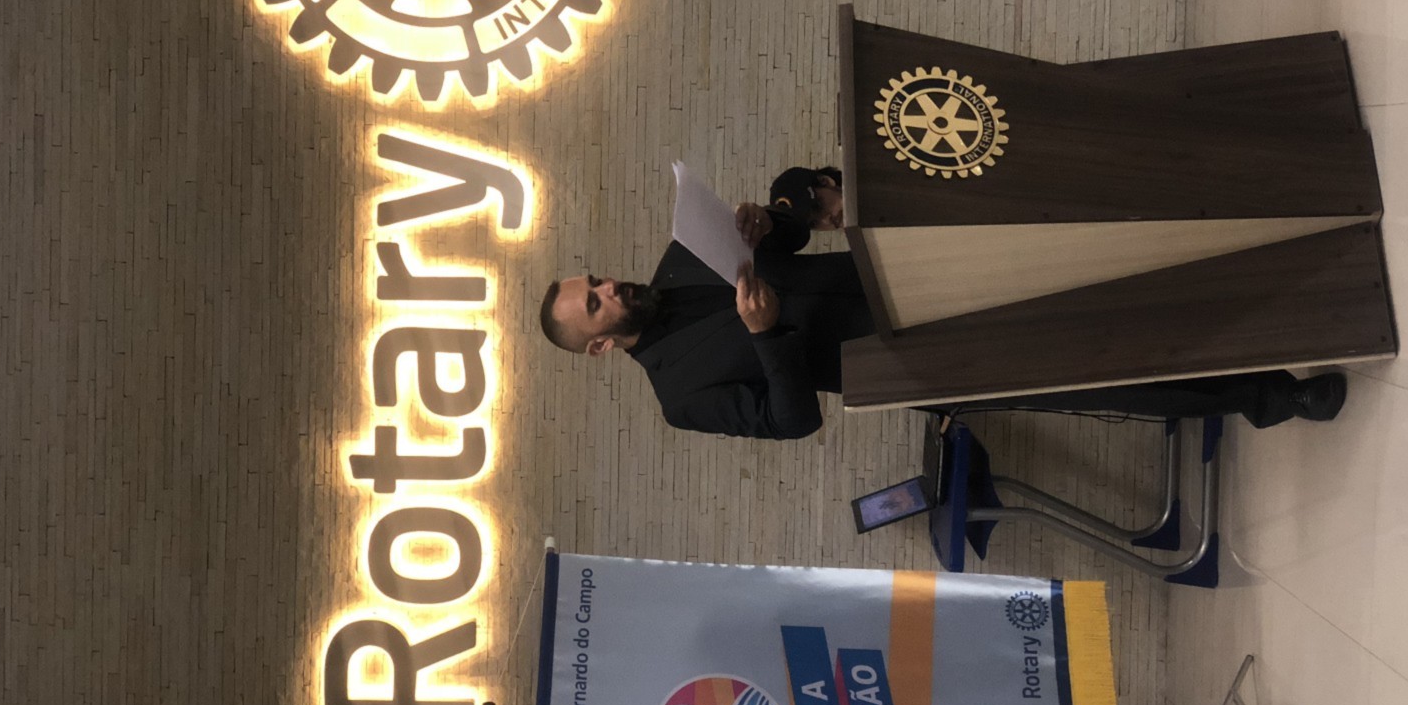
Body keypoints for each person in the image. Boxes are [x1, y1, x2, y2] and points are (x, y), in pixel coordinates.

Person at [537, 218, 1349, 440]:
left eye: (595, 280)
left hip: (906, 277)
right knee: (1100, 370)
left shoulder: (683, 256)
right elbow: (792, 421)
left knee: (1080, 291)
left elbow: (788, 243)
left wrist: (769, 223)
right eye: (596, 304)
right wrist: (766, 336)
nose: (609, 287)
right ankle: (1271, 395)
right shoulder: (679, 397)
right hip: (909, 361)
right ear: (601, 345)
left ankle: (1261, 309)